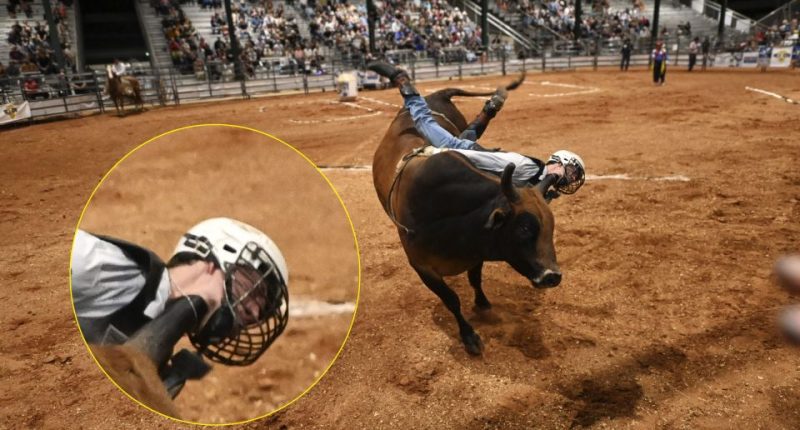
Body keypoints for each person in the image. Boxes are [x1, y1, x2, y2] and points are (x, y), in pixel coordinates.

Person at [71, 218, 289, 368]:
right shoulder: (115, 272)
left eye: (262, 313)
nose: (255, 312)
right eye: (254, 289)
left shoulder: (159, 351)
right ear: (211, 263)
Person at [367, 61, 585, 193]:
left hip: (475, 153)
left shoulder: (539, 179)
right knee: (424, 121)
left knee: (466, 137)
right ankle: (400, 78)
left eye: (574, 177)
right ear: (558, 164)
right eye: (571, 173)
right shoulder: (528, 168)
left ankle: (490, 110)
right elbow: (483, 160)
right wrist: (440, 153)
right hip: (470, 153)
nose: (571, 179)